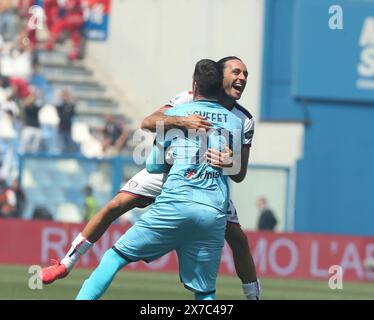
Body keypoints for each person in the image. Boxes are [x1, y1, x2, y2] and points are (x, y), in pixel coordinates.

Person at [40, 56, 260, 300]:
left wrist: (231, 162)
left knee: (238, 239)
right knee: (116, 205)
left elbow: (239, 171)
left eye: (246, 74)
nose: (242, 78)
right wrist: (179, 121)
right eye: (237, 72)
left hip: (201, 178)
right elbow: (149, 122)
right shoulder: (186, 100)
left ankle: (254, 296)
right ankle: (66, 263)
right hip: (171, 169)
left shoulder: (245, 119)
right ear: (220, 77)